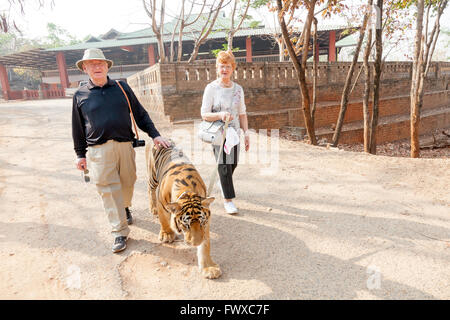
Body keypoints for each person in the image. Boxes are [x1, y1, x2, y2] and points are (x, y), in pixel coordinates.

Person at [71, 48, 171, 253]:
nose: (97, 67)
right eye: (92, 64)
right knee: (108, 190)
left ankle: (124, 206)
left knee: (128, 182)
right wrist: (80, 154)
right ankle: (119, 232)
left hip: (125, 146)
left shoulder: (122, 88)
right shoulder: (80, 95)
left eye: (100, 63)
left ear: (107, 66)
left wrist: (155, 134)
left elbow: (140, 114)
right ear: (85, 68)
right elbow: (77, 127)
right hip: (99, 151)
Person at [200, 50, 250, 214]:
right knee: (223, 165)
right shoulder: (211, 88)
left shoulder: (238, 89)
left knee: (232, 163)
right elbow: (204, 114)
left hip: (234, 133)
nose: (224, 70)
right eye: (222, 66)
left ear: (233, 68)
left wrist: (246, 132)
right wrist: (220, 115)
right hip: (218, 132)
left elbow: (242, 112)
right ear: (217, 68)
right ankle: (228, 200)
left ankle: (224, 183)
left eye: (228, 66)